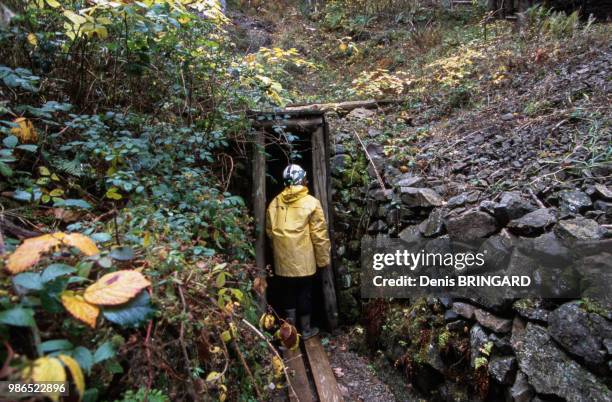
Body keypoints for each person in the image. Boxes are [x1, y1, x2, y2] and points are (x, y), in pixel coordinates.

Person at [266, 164, 331, 340]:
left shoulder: (274, 203)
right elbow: (319, 235)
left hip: (283, 260)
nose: (306, 180)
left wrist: (278, 252)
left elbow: (270, 232)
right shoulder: (312, 202)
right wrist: (323, 260)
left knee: (288, 293)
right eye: (304, 177)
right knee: (304, 293)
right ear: (300, 179)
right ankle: (306, 330)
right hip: (304, 260)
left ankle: (290, 332)